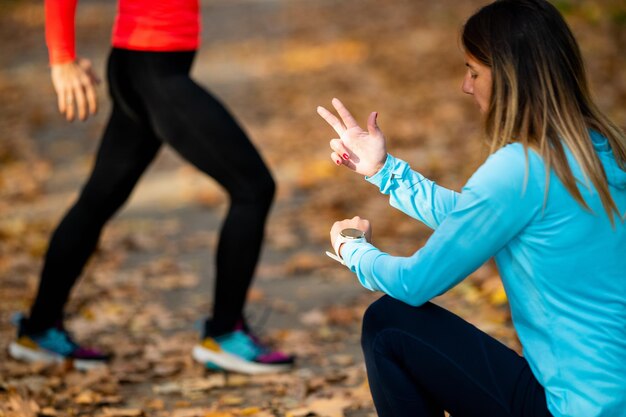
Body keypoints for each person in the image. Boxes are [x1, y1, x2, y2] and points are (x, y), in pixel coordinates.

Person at [317, 0, 625, 415]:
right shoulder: (603, 149)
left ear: (511, 77)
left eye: (474, 71)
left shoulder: (519, 168)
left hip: (568, 408)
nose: (466, 85)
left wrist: (351, 250)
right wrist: (384, 172)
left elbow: (418, 282)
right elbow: (479, 219)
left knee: (388, 323)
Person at [8, 0, 294, 374]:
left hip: (143, 63)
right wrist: (62, 59)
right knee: (253, 188)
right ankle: (224, 337)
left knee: (98, 200)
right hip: (153, 70)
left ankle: (39, 330)